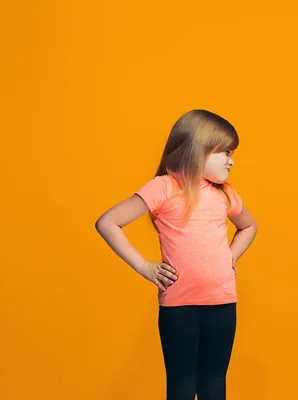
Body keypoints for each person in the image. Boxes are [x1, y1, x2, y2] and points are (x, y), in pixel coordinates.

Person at [95, 109, 258, 400]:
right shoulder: (164, 187)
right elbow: (108, 222)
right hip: (179, 308)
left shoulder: (225, 193)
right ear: (198, 148)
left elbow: (248, 226)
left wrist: (230, 256)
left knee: (214, 385)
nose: (232, 160)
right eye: (225, 151)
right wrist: (144, 266)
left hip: (222, 305)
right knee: (181, 387)